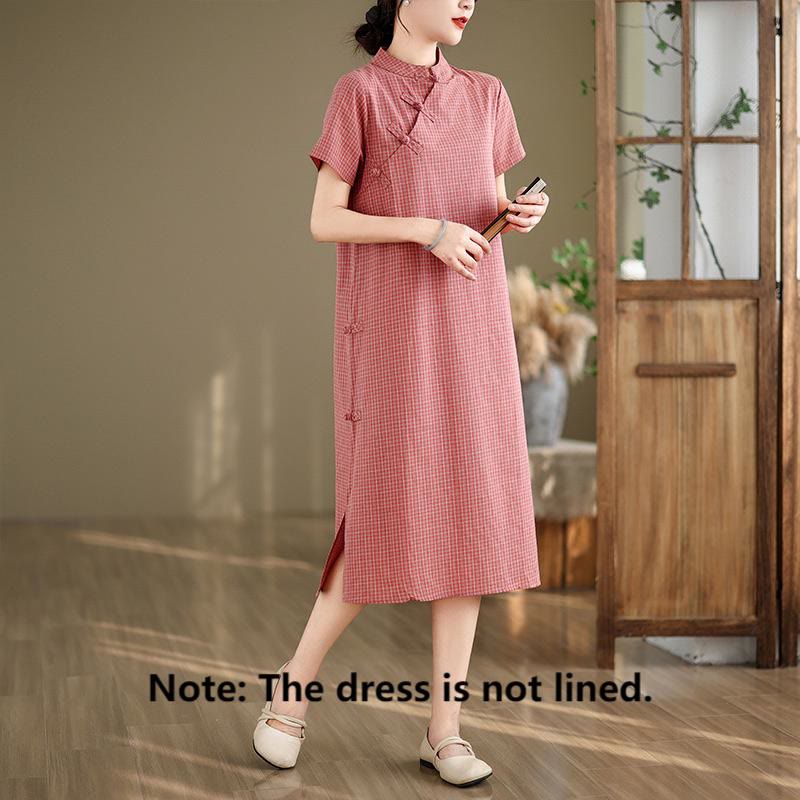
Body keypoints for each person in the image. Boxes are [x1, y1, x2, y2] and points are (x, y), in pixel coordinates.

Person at [253, 0, 549, 787]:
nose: (467, 1)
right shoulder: (359, 94)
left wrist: (517, 214)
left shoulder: (487, 94)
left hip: (474, 332)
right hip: (392, 335)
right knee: (380, 511)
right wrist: (426, 230)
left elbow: (485, 208)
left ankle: (445, 731)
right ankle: (290, 690)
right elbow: (325, 220)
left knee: (470, 523)